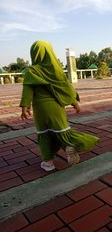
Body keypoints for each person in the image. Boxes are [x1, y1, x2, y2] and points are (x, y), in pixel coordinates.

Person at [20, 40, 99, 171]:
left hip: (40, 109)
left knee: (44, 134)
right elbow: (66, 88)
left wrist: (25, 106)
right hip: (56, 107)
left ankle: (48, 163)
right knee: (61, 130)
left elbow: (27, 91)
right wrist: (74, 102)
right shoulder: (56, 70)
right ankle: (68, 145)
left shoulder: (31, 71)